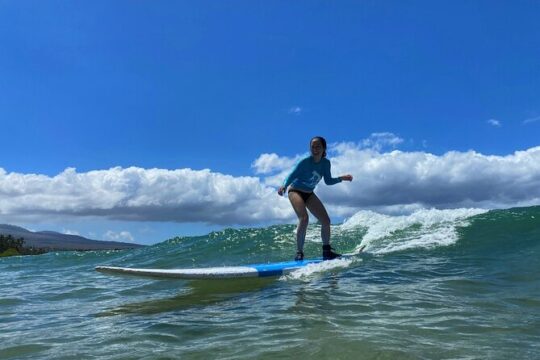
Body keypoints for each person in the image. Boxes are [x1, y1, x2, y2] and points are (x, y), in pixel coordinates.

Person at [278, 136, 353, 261]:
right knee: (304, 218)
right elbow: (291, 175)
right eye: (313, 146)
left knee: (326, 220)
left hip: (309, 193)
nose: (315, 149)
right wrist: (284, 186)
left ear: (324, 148)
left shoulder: (326, 163)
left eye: (318, 146)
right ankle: (299, 252)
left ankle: (327, 251)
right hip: (295, 191)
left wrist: (341, 178)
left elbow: (328, 181)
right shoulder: (305, 162)